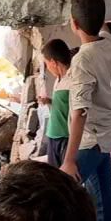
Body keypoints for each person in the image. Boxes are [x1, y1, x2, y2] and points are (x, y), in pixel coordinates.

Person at [60, 0, 111, 221]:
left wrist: (69, 160)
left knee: (61, 197)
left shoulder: (82, 60)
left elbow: (80, 111)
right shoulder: (107, 43)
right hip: (106, 133)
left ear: (73, 24)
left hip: (91, 138)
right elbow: (103, 27)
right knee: (104, 201)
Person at [37, 39, 73, 167]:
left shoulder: (72, 81)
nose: (47, 67)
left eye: (47, 64)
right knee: (54, 174)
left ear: (53, 62)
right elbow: (63, 104)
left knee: (64, 175)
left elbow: (76, 110)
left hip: (65, 135)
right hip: (53, 133)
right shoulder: (58, 80)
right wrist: (49, 101)